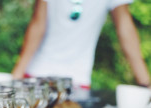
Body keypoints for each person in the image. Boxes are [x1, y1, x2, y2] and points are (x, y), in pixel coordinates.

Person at [11, 0, 150, 89]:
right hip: (36, 77)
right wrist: (17, 74)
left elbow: (125, 28)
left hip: (77, 82)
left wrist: (145, 82)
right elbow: (38, 24)